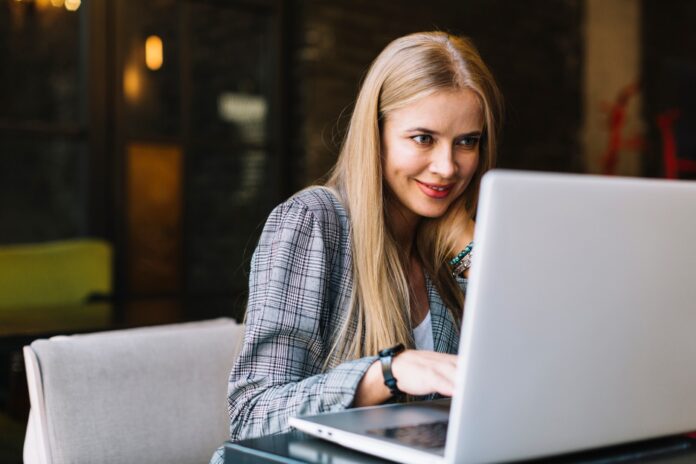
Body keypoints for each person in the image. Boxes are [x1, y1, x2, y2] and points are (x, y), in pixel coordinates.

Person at [211, 30, 503, 462]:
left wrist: (468, 242)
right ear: (376, 134)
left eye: (467, 142)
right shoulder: (313, 222)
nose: (447, 167)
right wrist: (388, 372)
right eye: (423, 138)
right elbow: (254, 414)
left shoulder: (448, 243)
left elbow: (519, 388)